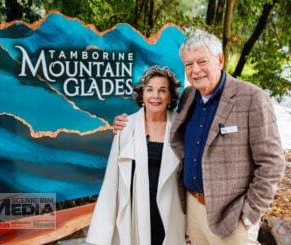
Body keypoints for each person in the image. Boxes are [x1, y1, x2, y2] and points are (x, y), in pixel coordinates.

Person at [113, 30, 286, 244]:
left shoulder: (251, 98)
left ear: (220, 59)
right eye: (188, 64)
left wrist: (249, 214)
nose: (195, 70)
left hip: (232, 218)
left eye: (201, 61)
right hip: (193, 209)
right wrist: (129, 122)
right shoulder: (189, 97)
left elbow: (272, 163)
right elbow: (159, 115)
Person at [86, 66, 186, 245]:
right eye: (150, 90)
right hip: (135, 210)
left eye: (162, 90)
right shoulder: (126, 127)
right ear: (141, 95)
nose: (155, 96)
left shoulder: (181, 127)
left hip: (171, 212)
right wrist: (101, 232)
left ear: (170, 96)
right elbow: (112, 180)